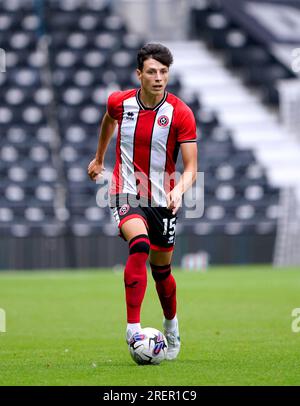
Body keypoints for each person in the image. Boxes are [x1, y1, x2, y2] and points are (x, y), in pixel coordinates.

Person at [88, 43, 197, 360]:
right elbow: (108, 121)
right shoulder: (119, 103)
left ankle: (171, 326)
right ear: (139, 74)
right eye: (152, 71)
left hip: (164, 198)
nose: (159, 77)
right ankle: (133, 328)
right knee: (140, 244)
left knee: (162, 273)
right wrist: (98, 159)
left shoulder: (180, 113)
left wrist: (179, 190)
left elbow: (190, 166)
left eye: (164, 72)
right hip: (126, 191)